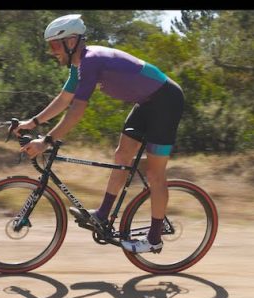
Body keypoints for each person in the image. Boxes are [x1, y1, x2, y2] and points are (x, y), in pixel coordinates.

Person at [14, 14, 184, 253]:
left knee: (156, 174)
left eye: (54, 45)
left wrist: (47, 140)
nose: (52, 52)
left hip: (167, 101)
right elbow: (64, 99)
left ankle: (154, 239)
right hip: (146, 103)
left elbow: (76, 111)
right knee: (121, 156)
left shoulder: (91, 60)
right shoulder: (80, 66)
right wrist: (32, 123)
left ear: (71, 41)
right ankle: (103, 215)